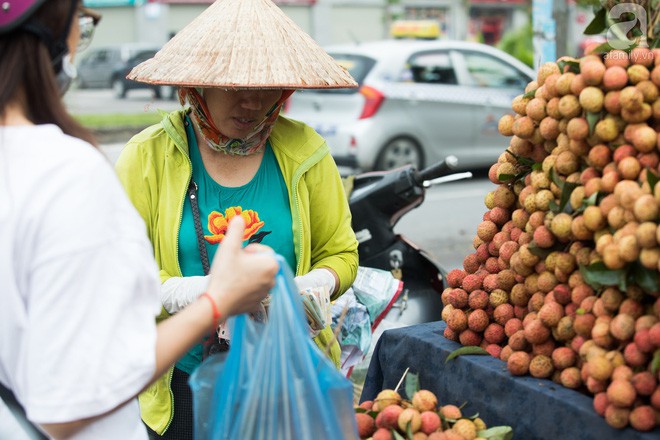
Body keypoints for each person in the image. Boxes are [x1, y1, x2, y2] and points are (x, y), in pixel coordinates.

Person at [0, 1, 278, 439]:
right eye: (82, 24)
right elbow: (70, 400)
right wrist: (218, 299)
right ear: (52, 37)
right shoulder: (64, 172)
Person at [114, 0, 360, 437]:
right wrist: (186, 293)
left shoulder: (306, 152)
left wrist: (314, 286)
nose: (252, 101)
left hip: (285, 375)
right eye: (232, 86)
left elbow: (340, 253)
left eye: (267, 87)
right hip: (183, 381)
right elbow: (115, 276)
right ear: (197, 86)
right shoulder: (146, 157)